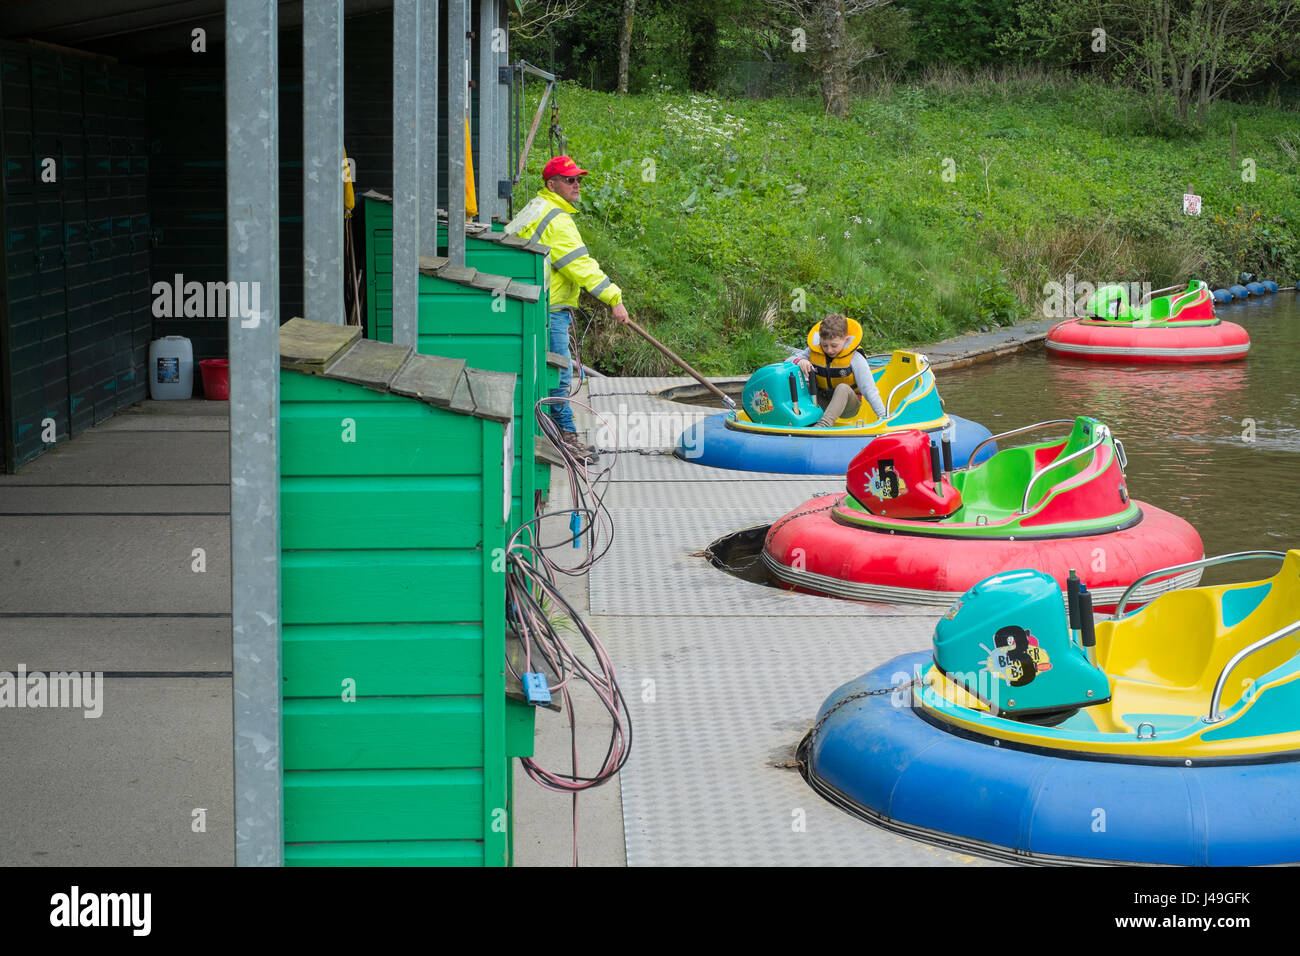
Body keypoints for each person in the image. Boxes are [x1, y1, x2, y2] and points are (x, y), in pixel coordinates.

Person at [505, 155, 629, 463]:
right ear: (552, 184)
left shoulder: (538, 207)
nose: (576, 185)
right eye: (569, 180)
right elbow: (580, 267)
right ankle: (566, 438)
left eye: (578, 180)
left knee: (546, 373)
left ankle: (551, 432)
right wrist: (614, 298)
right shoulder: (557, 220)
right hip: (550, 310)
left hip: (531, 305)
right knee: (558, 376)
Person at [792, 312, 886, 427]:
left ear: (846, 340)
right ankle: (796, 420)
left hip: (848, 406)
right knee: (801, 384)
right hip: (821, 401)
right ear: (820, 340)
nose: (829, 350)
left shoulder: (855, 358)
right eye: (824, 345)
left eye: (834, 345)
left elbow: (869, 390)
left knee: (842, 388)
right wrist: (800, 361)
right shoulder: (814, 350)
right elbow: (789, 360)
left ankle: (823, 425)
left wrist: (884, 418)